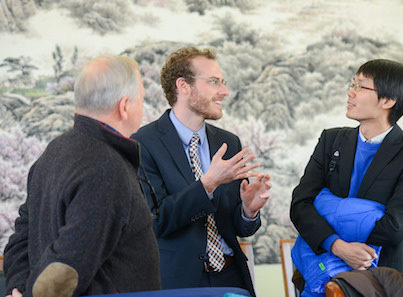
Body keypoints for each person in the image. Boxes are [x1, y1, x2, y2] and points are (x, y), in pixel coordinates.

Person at [3, 55, 161, 297]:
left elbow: (21, 239)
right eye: (141, 98)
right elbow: (68, 265)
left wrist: (17, 287)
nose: (143, 106)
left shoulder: (55, 150)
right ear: (124, 106)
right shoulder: (106, 168)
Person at [132, 46, 271, 297]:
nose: (224, 92)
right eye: (214, 82)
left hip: (232, 278)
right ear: (184, 86)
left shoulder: (228, 142)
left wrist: (249, 211)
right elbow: (155, 222)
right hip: (178, 284)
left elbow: (239, 228)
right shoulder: (143, 144)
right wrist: (207, 184)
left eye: (223, 82)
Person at [290, 59, 403, 296]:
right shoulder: (331, 140)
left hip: (382, 278)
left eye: (360, 87)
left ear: (388, 100)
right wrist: (337, 246)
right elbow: (300, 205)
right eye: (352, 84)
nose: (350, 92)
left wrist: (326, 207)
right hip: (320, 272)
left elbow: (394, 227)